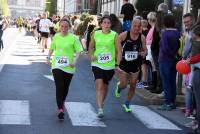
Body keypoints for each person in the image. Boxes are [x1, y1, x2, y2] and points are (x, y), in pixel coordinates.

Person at [46, 18, 83, 120]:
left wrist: (75, 61)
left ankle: (61, 103)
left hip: (69, 67)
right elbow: (52, 48)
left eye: (66, 26)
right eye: (62, 26)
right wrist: (48, 57)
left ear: (69, 27)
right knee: (60, 86)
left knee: (65, 88)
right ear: (59, 27)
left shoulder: (74, 38)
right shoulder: (56, 37)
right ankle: (61, 109)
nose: (64, 28)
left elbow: (79, 51)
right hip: (56, 65)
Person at [115, 17, 147, 112]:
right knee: (124, 84)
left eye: (139, 26)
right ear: (131, 25)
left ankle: (127, 104)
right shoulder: (124, 35)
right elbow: (117, 47)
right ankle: (119, 87)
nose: (137, 28)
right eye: (135, 26)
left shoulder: (142, 37)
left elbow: (145, 50)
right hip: (124, 63)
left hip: (135, 64)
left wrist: (144, 53)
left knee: (133, 85)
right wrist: (117, 61)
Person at [88, 16, 118, 118]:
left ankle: (101, 102)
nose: (106, 24)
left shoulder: (114, 35)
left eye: (108, 23)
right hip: (97, 63)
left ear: (111, 25)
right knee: (99, 84)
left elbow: (119, 50)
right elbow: (91, 47)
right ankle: (100, 108)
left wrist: (117, 64)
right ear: (101, 24)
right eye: (104, 23)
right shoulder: (96, 34)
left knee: (105, 86)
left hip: (109, 65)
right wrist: (91, 55)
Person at [157, 14, 180, 111]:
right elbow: (179, 45)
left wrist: (171, 54)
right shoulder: (178, 33)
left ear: (165, 22)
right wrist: (175, 54)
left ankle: (167, 102)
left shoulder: (165, 33)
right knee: (172, 81)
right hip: (174, 60)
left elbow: (165, 48)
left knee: (166, 82)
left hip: (165, 59)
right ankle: (173, 102)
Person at [186, 25, 200, 134]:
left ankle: (198, 124)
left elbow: (195, 57)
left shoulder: (196, 43)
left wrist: (189, 60)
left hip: (198, 71)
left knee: (198, 100)